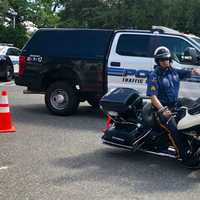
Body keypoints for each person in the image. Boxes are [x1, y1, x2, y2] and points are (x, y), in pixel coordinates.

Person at [146, 46, 200, 165]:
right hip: (161, 110)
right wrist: (162, 109)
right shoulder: (154, 75)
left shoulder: (173, 71)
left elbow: (191, 72)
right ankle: (185, 156)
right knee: (175, 130)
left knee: (194, 109)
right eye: (162, 59)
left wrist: (197, 71)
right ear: (158, 61)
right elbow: (153, 97)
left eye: (167, 59)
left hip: (175, 105)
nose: (165, 61)